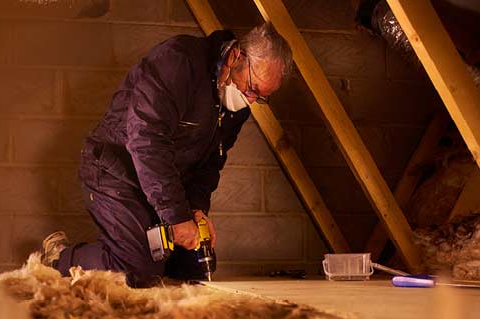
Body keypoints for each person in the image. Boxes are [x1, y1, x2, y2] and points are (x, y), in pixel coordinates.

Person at [41, 23, 292, 287]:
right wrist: (177, 217)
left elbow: (210, 163)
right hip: (116, 172)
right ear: (235, 57)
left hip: (160, 186)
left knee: (194, 266)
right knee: (135, 270)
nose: (251, 100)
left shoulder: (235, 105)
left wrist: (195, 209)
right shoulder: (178, 61)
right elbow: (147, 141)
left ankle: (151, 256)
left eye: (261, 97)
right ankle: (60, 259)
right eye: (253, 88)